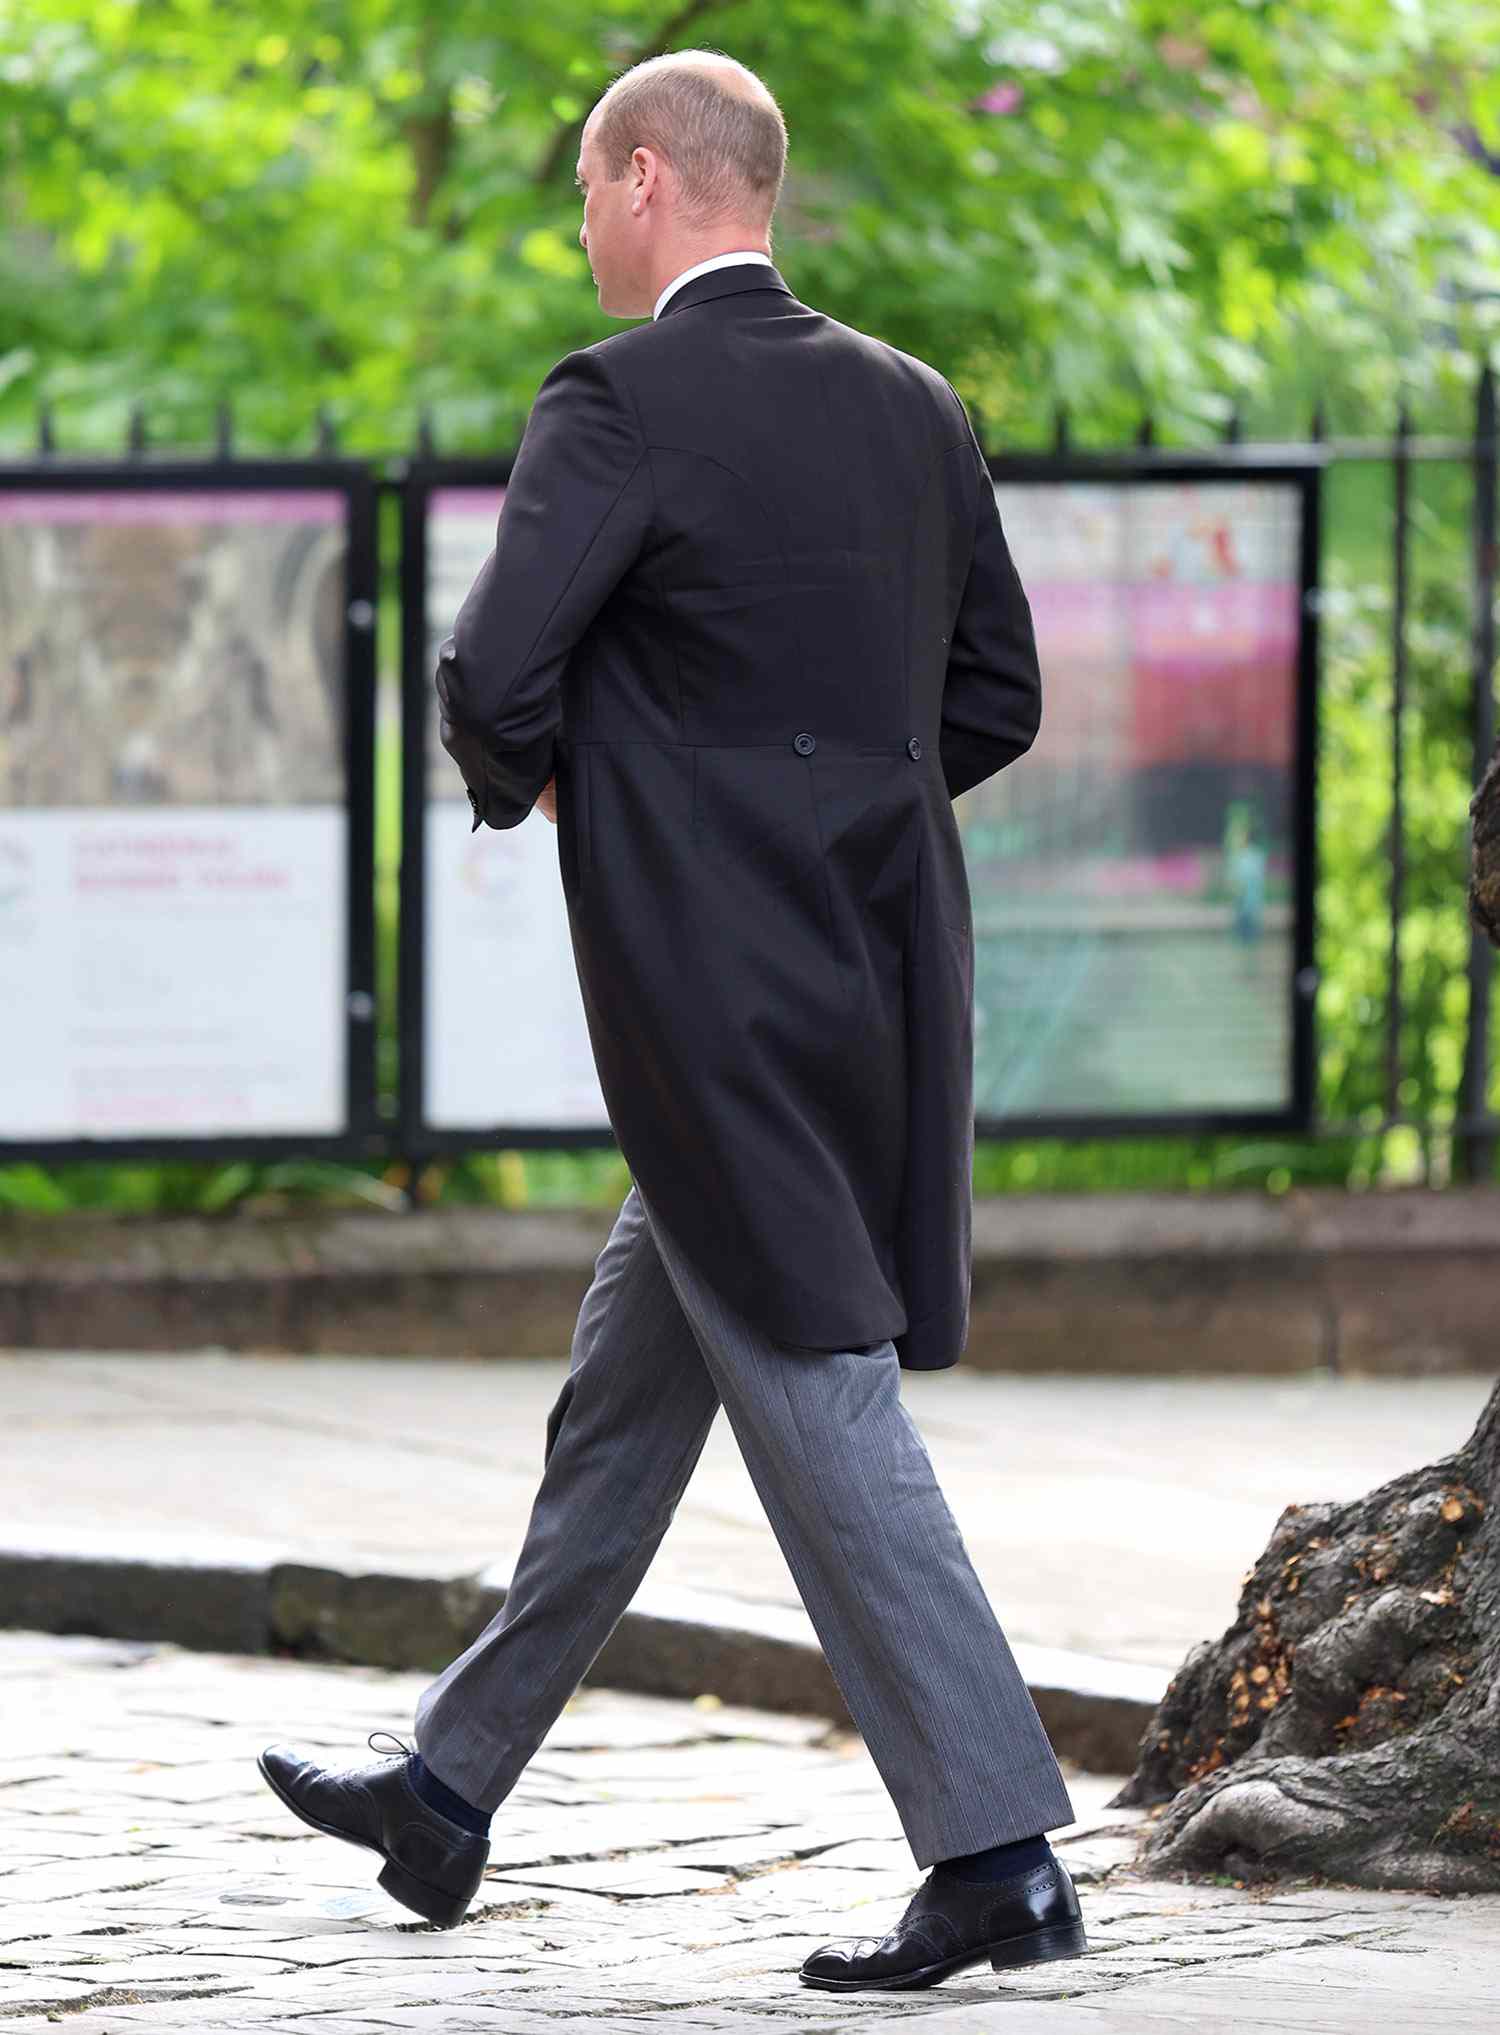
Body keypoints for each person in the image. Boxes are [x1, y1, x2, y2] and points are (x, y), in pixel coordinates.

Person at [258, 46, 1088, 1992]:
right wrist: (815, 812)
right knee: (638, 1380)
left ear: (646, 181)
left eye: (581, 191)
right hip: (877, 966)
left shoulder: (615, 397)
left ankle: (999, 1850)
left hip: (708, 993)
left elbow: (494, 665)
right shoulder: (915, 406)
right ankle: (450, 1786)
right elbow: (997, 700)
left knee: (818, 1383)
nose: (577, 228)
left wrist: (594, 787)